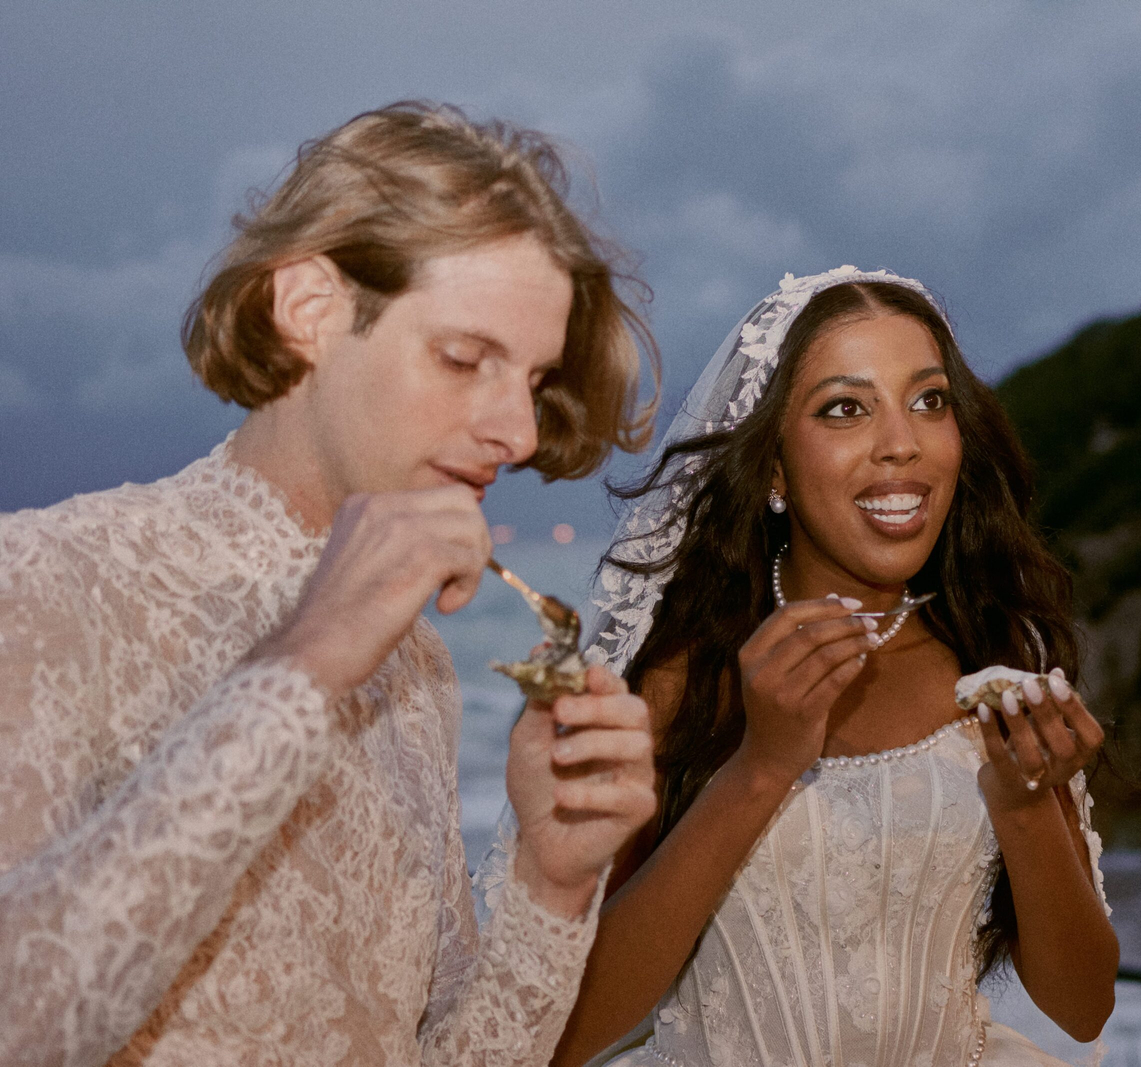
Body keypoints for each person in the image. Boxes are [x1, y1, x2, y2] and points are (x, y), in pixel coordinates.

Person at [0, 102, 660, 1066]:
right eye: (465, 357)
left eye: (532, 379)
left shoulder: (418, 667)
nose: (519, 433)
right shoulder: (50, 582)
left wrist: (551, 884)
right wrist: (304, 669)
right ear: (309, 308)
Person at [479, 265, 1120, 1067]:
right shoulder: (680, 679)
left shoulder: (997, 658)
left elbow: (1083, 1005)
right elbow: (562, 1036)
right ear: (775, 467)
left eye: (929, 400)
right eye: (845, 408)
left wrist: (1025, 805)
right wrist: (762, 765)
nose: (902, 442)